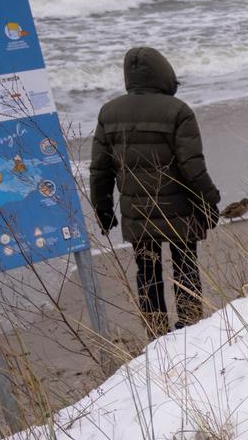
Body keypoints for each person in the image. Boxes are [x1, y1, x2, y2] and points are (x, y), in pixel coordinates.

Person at [90, 46, 220, 335]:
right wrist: (210, 201)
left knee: (147, 273)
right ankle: (191, 327)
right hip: (181, 211)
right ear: (165, 74)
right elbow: (192, 167)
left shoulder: (108, 112)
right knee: (185, 267)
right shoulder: (178, 111)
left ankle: (156, 332)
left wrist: (103, 209)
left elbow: (100, 169)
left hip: (137, 213)